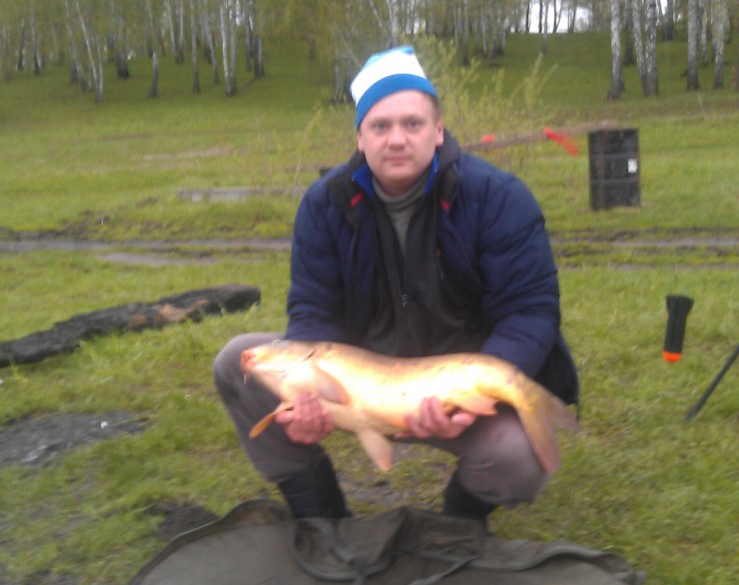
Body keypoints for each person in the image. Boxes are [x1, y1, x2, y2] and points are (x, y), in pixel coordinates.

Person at [213, 46, 577, 525]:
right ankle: (321, 518)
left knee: (518, 455)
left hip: (456, 377)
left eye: (413, 124)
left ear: (438, 130)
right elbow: (313, 313)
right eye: (380, 126)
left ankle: (460, 520)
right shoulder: (324, 205)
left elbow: (530, 311)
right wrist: (303, 401)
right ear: (360, 137)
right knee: (234, 361)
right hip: (358, 381)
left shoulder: (498, 197)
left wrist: (471, 402)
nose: (397, 139)